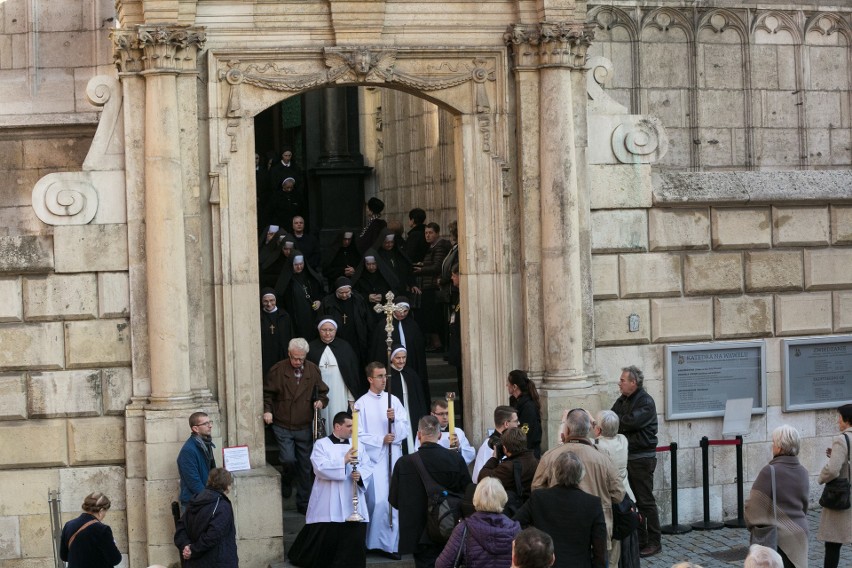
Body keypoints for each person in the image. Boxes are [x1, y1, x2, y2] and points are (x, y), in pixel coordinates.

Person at [532, 408, 624, 558]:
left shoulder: (550, 456)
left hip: (558, 528)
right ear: (589, 429)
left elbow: (536, 490)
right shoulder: (603, 458)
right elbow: (618, 494)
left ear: (567, 429)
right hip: (596, 531)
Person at [288, 412, 373, 568]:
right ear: (337, 426)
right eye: (349, 426)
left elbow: (367, 465)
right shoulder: (321, 444)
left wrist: (360, 476)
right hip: (329, 497)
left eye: (353, 426)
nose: (352, 430)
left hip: (351, 497)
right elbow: (319, 468)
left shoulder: (358, 445)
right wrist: (344, 460)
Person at [390, 415, 472, 568]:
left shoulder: (404, 463)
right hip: (448, 528)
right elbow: (467, 493)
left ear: (419, 434)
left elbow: (394, 500)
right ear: (440, 435)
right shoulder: (455, 459)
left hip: (418, 533)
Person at [263, 338, 329, 513]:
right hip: (282, 423)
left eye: (301, 359)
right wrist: (267, 410)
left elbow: (323, 393)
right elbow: (267, 394)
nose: (298, 362)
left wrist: (321, 402)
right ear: (289, 354)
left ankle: (303, 502)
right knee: (288, 459)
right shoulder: (278, 370)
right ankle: (286, 478)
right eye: (295, 358)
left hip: (304, 425)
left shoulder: (313, 370)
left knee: (306, 465)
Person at [354, 362, 410, 559]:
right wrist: (380, 440)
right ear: (370, 379)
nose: (384, 379)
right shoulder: (361, 403)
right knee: (378, 501)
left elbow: (405, 429)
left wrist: (394, 422)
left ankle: (391, 545)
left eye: (385, 376)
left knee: (393, 501)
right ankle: (372, 542)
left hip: (393, 456)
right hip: (374, 459)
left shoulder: (393, 400)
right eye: (379, 376)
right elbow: (357, 435)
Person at [516, 451, 607, 568]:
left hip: (544, 563)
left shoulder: (539, 497)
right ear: (581, 475)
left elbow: (515, 523)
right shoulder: (592, 503)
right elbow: (600, 549)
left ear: (555, 472)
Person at [610, 365, 662, 558]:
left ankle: (655, 542)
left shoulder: (645, 401)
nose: (619, 383)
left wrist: (617, 421)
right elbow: (612, 417)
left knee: (645, 501)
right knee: (632, 500)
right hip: (627, 456)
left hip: (641, 458)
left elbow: (628, 422)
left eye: (623, 380)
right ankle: (640, 539)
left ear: (634, 382)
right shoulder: (623, 399)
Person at [745, 425, 810, 568]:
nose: (772, 446)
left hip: (778, 538)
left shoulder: (769, 471)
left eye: (773, 443)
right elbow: (804, 505)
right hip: (799, 533)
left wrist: (751, 523)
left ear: (779, 447)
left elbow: (753, 507)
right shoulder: (803, 472)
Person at [436, 477, 520, 568]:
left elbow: (442, 564)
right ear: (503, 498)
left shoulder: (464, 528)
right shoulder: (515, 530)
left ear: (475, 499)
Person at [593, 409, 636, 567]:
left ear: (598, 430)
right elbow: (606, 431)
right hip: (625, 497)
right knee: (619, 542)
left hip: (608, 500)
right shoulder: (623, 440)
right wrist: (596, 423)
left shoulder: (597, 446)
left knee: (609, 543)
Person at [174, 468, 238, 567]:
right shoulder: (222, 506)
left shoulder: (195, 499)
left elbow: (181, 527)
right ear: (227, 486)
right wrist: (192, 549)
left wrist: (186, 546)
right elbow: (213, 535)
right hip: (216, 562)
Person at [308, 319, 366, 423]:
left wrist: (351, 397)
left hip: (340, 392)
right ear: (318, 330)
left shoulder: (345, 347)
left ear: (336, 330)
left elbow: (351, 375)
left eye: (331, 330)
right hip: (319, 395)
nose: (327, 333)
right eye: (324, 330)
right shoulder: (311, 348)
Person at [817, 403, 852, 568]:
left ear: (847, 420)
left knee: (833, 543)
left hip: (842, 497)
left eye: (839, 417)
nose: (838, 421)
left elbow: (832, 470)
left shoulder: (842, 439)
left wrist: (820, 478)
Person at [478, 427, 538, 511]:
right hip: (530, 508)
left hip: (514, 512)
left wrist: (494, 458)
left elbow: (483, 477)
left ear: (505, 449)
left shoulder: (508, 467)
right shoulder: (534, 460)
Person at [369, 297, 428, 383]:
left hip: (409, 364)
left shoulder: (413, 326)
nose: (402, 314)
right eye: (400, 310)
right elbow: (379, 349)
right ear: (393, 309)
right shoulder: (383, 326)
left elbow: (418, 350)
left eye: (405, 311)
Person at [413, 222, 451, 352]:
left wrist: (421, 269)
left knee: (432, 317)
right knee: (429, 316)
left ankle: (437, 344)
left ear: (437, 233)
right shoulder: (432, 246)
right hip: (429, 284)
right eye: (426, 233)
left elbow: (437, 266)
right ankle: (435, 343)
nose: (427, 235)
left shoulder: (439, 247)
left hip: (433, 285)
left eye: (430, 233)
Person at [59, 492, 122, 568]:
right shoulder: (102, 530)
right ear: (101, 511)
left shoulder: (69, 525)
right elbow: (115, 559)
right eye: (105, 511)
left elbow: (64, 556)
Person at [387, 345, 429, 452]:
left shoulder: (411, 373)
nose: (401, 361)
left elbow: (419, 396)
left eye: (404, 357)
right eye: (398, 358)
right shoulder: (387, 375)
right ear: (391, 358)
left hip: (412, 411)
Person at [321, 277, 370, 366]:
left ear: (351, 290)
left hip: (356, 339)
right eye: (341, 293)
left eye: (347, 292)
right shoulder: (328, 302)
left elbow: (366, 318)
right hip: (337, 339)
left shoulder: (358, 299)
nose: (344, 295)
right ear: (336, 291)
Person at [275, 253, 325, 341]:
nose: (299, 267)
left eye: (301, 264)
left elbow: (321, 292)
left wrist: (319, 301)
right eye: (296, 265)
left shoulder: (310, 276)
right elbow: (280, 300)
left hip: (311, 317)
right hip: (294, 319)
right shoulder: (286, 280)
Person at [415, 398, 476, 465]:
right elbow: (418, 453)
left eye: (447, 413)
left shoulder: (458, 432)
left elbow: (470, 454)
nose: (445, 417)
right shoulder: (425, 432)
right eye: (441, 414)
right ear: (432, 415)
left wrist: (459, 448)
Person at [177, 412, 217, 511]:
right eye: (205, 424)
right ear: (195, 429)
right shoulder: (188, 451)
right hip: (194, 504)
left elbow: (212, 471)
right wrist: (209, 499)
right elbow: (193, 482)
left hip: (204, 500)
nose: (210, 426)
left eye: (210, 422)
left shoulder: (205, 443)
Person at [473, 405, 520, 480]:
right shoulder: (488, 447)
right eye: (516, 421)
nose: (518, 424)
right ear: (506, 424)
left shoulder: (513, 442)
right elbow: (478, 478)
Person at [507, 370, 542, 457]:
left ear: (514, 386)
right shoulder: (514, 401)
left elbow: (525, 431)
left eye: (508, 383)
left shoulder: (528, 407)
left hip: (529, 454)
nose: (506, 385)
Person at [260, 288, 292, 376]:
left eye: (271, 300)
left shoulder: (284, 316)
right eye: (265, 301)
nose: (269, 304)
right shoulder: (259, 316)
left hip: (281, 353)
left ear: (276, 300)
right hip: (265, 354)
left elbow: (290, 335)